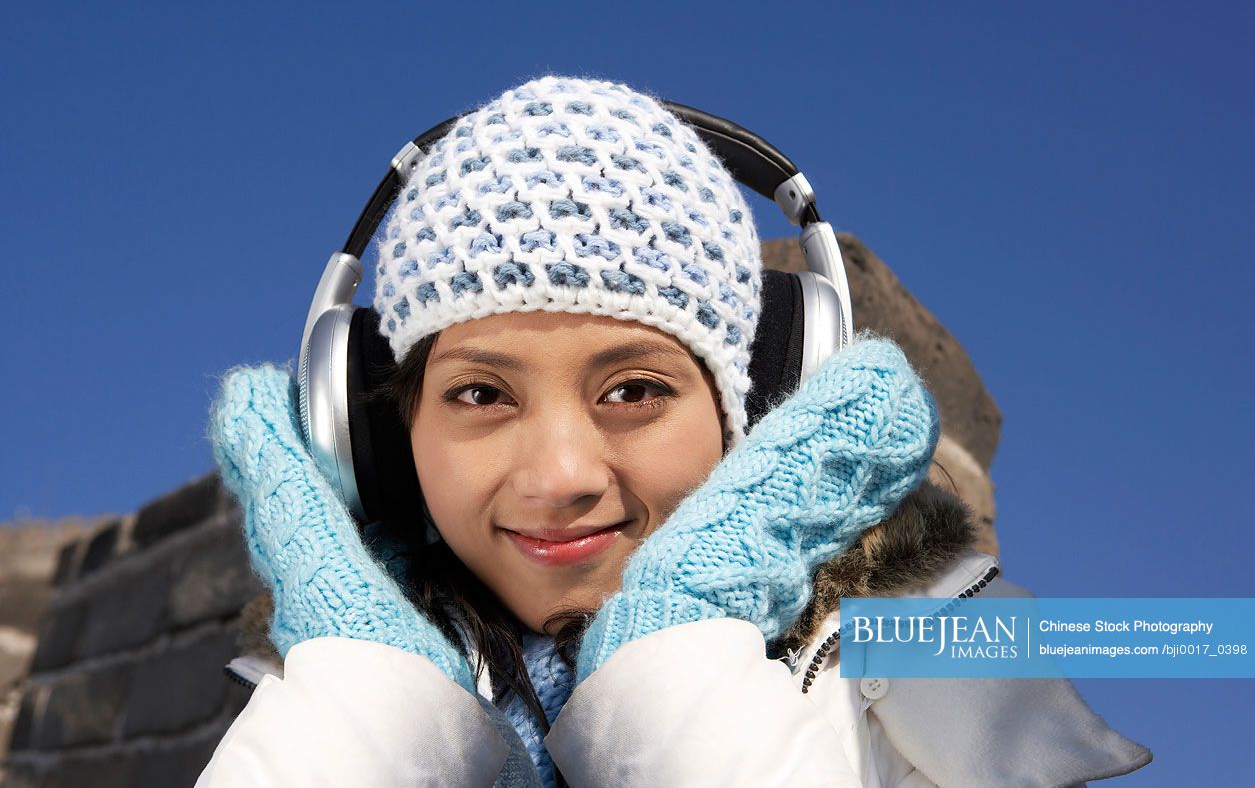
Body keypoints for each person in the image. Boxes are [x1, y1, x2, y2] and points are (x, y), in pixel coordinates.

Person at [197, 76, 1151, 787]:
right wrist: (368, 691)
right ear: (374, 424)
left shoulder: (945, 671)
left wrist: (680, 630)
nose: (559, 474)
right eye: (482, 395)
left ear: (766, 395)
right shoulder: (324, 690)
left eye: (634, 390)